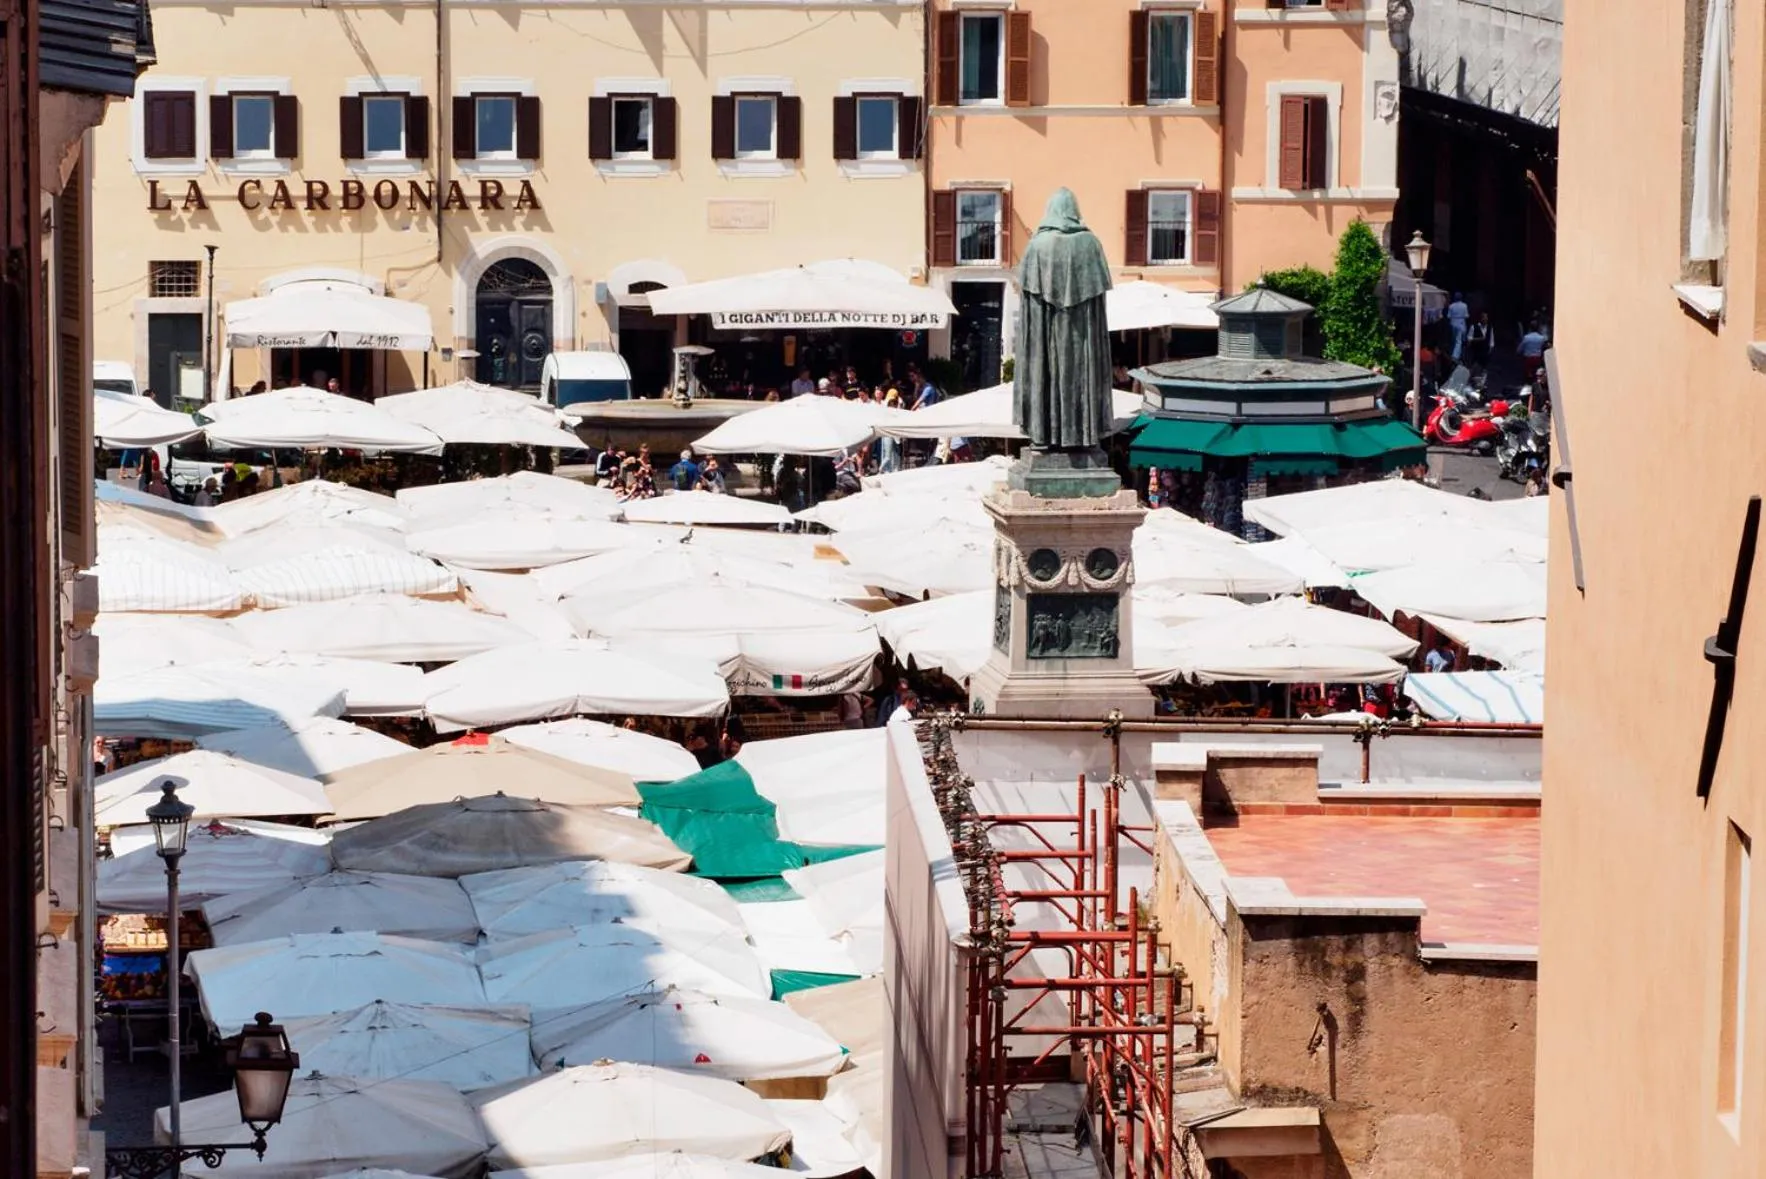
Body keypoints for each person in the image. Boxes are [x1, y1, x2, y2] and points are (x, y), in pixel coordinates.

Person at [1446, 292, 1470, 362]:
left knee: (1454, 340)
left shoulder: (1451, 306)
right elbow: (1466, 315)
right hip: (1461, 324)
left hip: (1453, 323)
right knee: (1459, 341)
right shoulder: (1464, 305)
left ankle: (1454, 354)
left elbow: (1448, 316)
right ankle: (1455, 356)